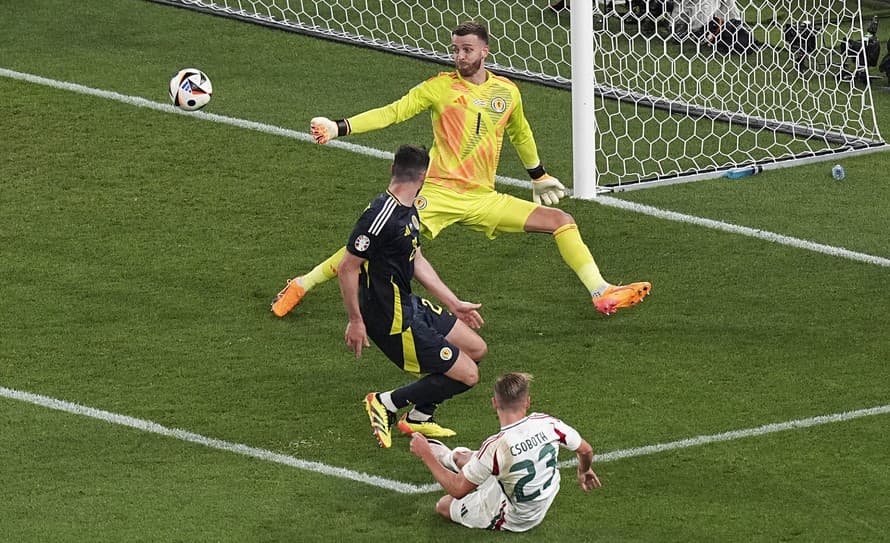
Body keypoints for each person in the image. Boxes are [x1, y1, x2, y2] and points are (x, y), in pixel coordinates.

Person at [272, 20, 650, 319]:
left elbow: (521, 133)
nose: (459, 56)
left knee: (560, 219)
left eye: (467, 49)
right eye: (455, 49)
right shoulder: (438, 88)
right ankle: (302, 284)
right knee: (379, 239)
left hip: (483, 198)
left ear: (485, 51)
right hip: (436, 194)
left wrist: (538, 175)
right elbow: (393, 112)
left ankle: (601, 292)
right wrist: (340, 126)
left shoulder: (507, 92)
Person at [339, 144, 488, 446]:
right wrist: (356, 320)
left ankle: (419, 417)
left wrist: (454, 303)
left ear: (392, 168)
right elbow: (346, 268)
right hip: (390, 318)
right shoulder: (380, 217)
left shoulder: (409, 210)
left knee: (476, 349)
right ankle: (385, 402)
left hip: (408, 304)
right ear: (425, 176)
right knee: (469, 375)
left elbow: (416, 259)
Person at [409, 372, 601, 532]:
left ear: (494, 403)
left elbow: (457, 491)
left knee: (443, 505)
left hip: (516, 515)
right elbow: (586, 450)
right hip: (533, 492)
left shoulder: (495, 446)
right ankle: (451, 458)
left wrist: (425, 455)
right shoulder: (548, 423)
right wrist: (584, 470)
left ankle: (446, 459)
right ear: (527, 402)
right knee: (463, 457)